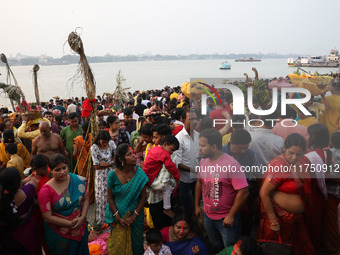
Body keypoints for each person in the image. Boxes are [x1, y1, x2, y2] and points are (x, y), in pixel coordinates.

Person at [257, 133, 316, 255]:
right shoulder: (279, 166)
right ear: (284, 148)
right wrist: (273, 221)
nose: (294, 157)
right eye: (291, 153)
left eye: (298, 154)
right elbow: (264, 192)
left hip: (297, 221)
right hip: (279, 223)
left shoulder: (303, 161)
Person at [195, 129, 249, 253]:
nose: (200, 149)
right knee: (215, 245)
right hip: (208, 215)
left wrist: (231, 215)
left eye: (203, 146)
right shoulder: (203, 160)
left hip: (226, 219)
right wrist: (197, 205)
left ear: (214, 146)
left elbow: (244, 192)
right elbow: (199, 182)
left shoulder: (231, 165)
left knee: (230, 248)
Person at [38, 154, 90, 255]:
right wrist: (70, 224)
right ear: (51, 171)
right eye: (57, 170)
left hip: (80, 228)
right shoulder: (46, 191)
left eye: (64, 168)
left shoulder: (77, 180)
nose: (62, 172)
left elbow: (86, 198)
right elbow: (47, 217)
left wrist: (82, 217)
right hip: (60, 235)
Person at [105, 143, 148, 255]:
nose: (134, 156)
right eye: (130, 154)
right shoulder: (112, 175)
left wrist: (134, 216)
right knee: (118, 246)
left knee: (137, 243)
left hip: (136, 216)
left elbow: (143, 197)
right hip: (119, 216)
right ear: (121, 159)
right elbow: (110, 198)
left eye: (133, 153)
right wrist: (118, 217)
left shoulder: (139, 173)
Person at [299, 123, 332, 253]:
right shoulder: (328, 152)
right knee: (319, 226)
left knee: (311, 227)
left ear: (313, 138)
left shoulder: (309, 157)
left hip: (312, 195)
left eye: (308, 134)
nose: (306, 137)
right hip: (323, 196)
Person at [0, 167, 41, 255]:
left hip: (9, 238)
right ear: (18, 181)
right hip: (27, 234)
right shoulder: (27, 191)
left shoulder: (3, 198)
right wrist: (23, 181)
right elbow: (33, 181)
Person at [143, 135, 181, 218]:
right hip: (151, 178)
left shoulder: (154, 148)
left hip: (146, 177)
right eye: (172, 150)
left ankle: (144, 200)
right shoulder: (164, 153)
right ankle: (167, 208)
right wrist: (177, 177)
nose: (172, 153)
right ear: (165, 144)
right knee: (166, 188)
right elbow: (171, 166)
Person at [173, 109, 199, 216]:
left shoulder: (198, 135)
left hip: (198, 180)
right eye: (191, 119)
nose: (194, 121)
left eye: (195, 119)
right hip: (185, 181)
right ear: (183, 120)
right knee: (188, 208)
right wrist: (193, 170)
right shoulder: (179, 139)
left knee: (197, 207)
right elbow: (177, 163)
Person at [91, 130, 116, 226]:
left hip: (112, 172)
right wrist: (109, 164)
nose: (105, 143)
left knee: (113, 195)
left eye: (106, 141)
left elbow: (116, 157)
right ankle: (103, 220)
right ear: (99, 140)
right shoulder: (94, 148)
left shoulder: (111, 143)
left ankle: (113, 217)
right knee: (102, 197)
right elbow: (96, 166)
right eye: (103, 141)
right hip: (101, 176)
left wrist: (108, 163)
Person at [322, 131, 340, 254]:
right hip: (334, 193)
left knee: (332, 224)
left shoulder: (329, 154)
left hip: (332, 194)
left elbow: (326, 175)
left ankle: (333, 250)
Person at [73, 121, 95, 203]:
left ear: (82, 128)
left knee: (83, 181)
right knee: (91, 181)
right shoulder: (92, 137)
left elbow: (74, 153)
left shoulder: (78, 139)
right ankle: (91, 199)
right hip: (91, 162)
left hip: (81, 164)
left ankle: (84, 198)